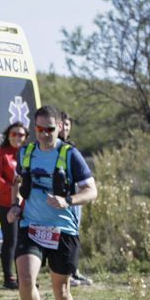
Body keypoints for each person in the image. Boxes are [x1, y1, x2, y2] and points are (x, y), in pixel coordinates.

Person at [7, 105, 97, 300]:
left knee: (62, 289)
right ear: (34, 128)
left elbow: (91, 190)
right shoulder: (26, 152)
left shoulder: (70, 155)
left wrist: (67, 201)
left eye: (50, 129)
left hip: (63, 228)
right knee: (25, 279)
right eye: (40, 129)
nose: (45, 134)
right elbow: (17, 181)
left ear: (59, 128)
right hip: (31, 225)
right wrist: (15, 205)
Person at [0, 121, 27, 289]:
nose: (17, 137)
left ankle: (23, 276)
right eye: (14, 134)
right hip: (5, 203)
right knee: (10, 240)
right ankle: (8, 277)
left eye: (21, 135)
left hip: (26, 205)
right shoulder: (1, 154)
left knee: (23, 240)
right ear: (8, 135)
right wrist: (11, 189)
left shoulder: (28, 154)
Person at [58, 111, 93, 287]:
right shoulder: (53, 149)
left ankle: (74, 271)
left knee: (75, 234)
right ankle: (66, 273)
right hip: (59, 201)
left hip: (74, 198)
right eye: (62, 124)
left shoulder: (71, 148)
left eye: (67, 125)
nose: (64, 128)